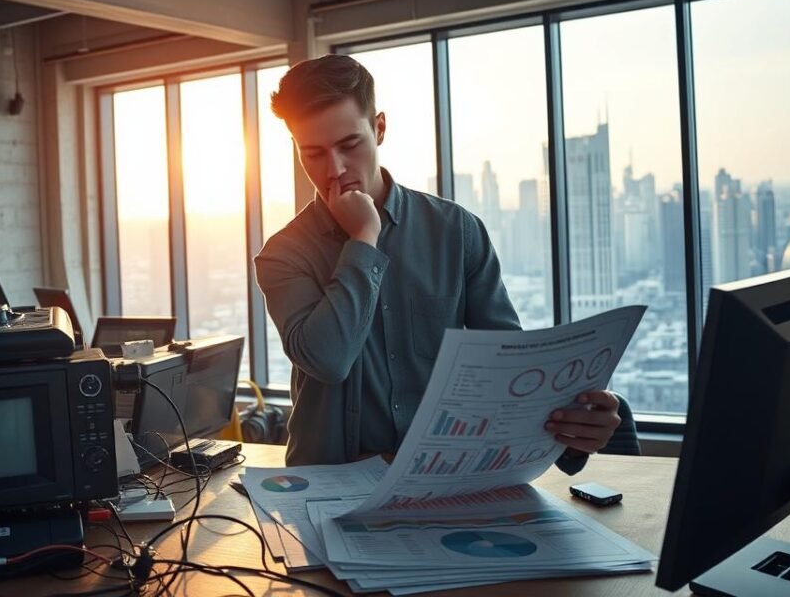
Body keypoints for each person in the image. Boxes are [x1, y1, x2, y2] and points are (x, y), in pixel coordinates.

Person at [254, 55, 622, 469]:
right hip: (326, 489)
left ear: (379, 128)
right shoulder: (283, 254)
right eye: (313, 153)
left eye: (349, 145)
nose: (335, 170)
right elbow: (328, 360)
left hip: (443, 478)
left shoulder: (457, 232)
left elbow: (507, 371)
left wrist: (575, 433)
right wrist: (364, 239)